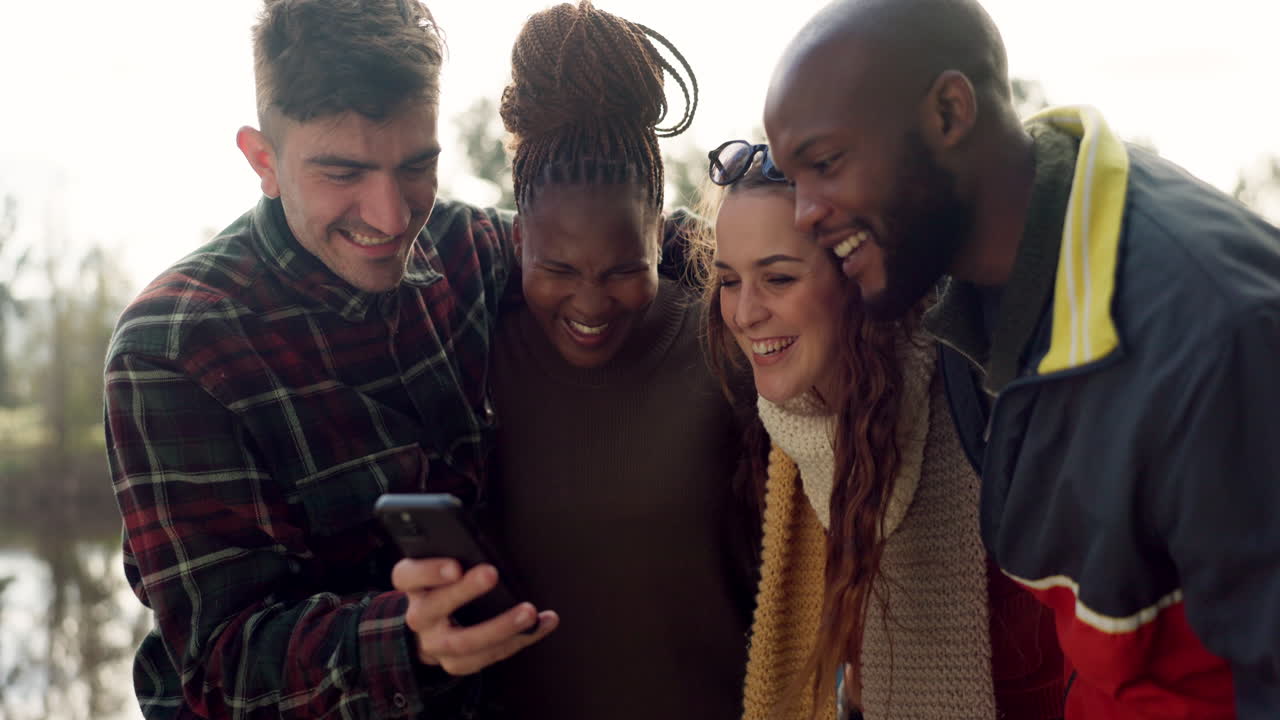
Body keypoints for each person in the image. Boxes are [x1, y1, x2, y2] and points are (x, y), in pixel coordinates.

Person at [763, 0, 1280, 717]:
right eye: (793, 178)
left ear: (949, 112)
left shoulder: (1214, 333)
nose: (804, 212)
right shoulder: (972, 301)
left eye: (825, 164)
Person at [104, 2, 557, 717]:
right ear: (263, 161)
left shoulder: (464, 245)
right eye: (342, 173)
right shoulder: (173, 347)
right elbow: (222, 665)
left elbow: (620, 250)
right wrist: (406, 642)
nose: (391, 216)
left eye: (417, 166)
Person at [698, 143, 1064, 720]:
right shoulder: (794, 425)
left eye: (777, 277)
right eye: (728, 280)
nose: (745, 313)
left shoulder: (982, 401)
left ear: (855, 275)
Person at [477, 4, 758, 717]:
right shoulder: (475, 353)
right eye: (559, 270)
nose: (591, 302)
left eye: (622, 269)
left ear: (660, 234)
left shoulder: (729, 342)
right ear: (517, 245)